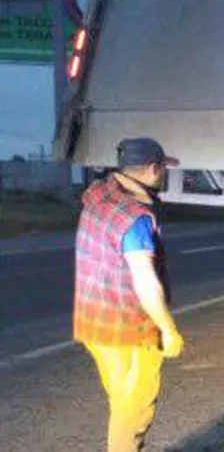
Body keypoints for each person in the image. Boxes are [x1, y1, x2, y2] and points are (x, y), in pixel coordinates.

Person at [73, 137, 184, 452]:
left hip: (94, 322)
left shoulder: (99, 195)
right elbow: (145, 280)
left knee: (121, 401)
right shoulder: (135, 217)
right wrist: (168, 329)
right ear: (151, 169)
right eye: (162, 168)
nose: (163, 174)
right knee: (133, 412)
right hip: (128, 328)